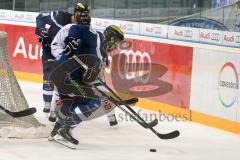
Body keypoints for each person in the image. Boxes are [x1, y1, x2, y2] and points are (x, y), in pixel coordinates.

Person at [49, 24, 124, 147]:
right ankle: (66, 130)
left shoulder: (104, 58)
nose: (116, 46)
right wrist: (72, 39)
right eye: (117, 42)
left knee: (79, 101)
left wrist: (96, 78)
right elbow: (76, 28)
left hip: (70, 77)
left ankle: (57, 129)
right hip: (65, 74)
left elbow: (88, 79)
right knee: (94, 102)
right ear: (111, 38)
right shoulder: (96, 36)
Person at [35, 2, 90, 122]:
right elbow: (40, 17)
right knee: (49, 75)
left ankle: (56, 109)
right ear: (75, 13)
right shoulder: (59, 16)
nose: (84, 17)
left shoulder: (81, 26)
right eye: (81, 14)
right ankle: (47, 105)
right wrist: (40, 30)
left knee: (64, 81)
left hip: (65, 53)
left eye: (86, 15)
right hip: (49, 50)